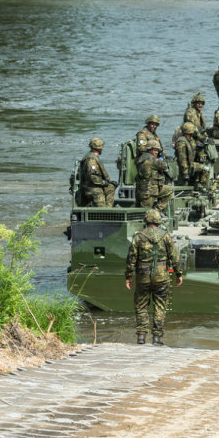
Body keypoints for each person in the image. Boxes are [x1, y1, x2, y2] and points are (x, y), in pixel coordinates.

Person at [125, 209, 182, 346]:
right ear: (158, 221)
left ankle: (141, 337)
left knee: (141, 305)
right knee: (160, 306)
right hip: (162, 276)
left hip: (143, 276)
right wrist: (178, 273)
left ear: (146, 220)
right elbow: (175, 257)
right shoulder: (166, 236)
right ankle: (157, 338)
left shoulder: (138, 237)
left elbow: (131, 258)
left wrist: (129, 276)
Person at [135, 140, 172, 211]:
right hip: (149, 191)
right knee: (145, 213)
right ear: (149, 150)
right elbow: (164, 166)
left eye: (158, 150)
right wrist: (162, 158)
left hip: (141, 190)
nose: (157, 152)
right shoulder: (152, 159)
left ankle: (155, 212)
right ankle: (156, 211)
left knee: (168, 190)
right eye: (155, 150)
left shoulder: (142, 157)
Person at [79, 137, 115, 207]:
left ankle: (108, 210)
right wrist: (105, 183)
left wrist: (109, 183)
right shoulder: (91, 159)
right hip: (92, 188)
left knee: (111, 187)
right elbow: (93, 177)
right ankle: (105, 213)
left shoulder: (91, 157)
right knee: (101, 209)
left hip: (93, 186)